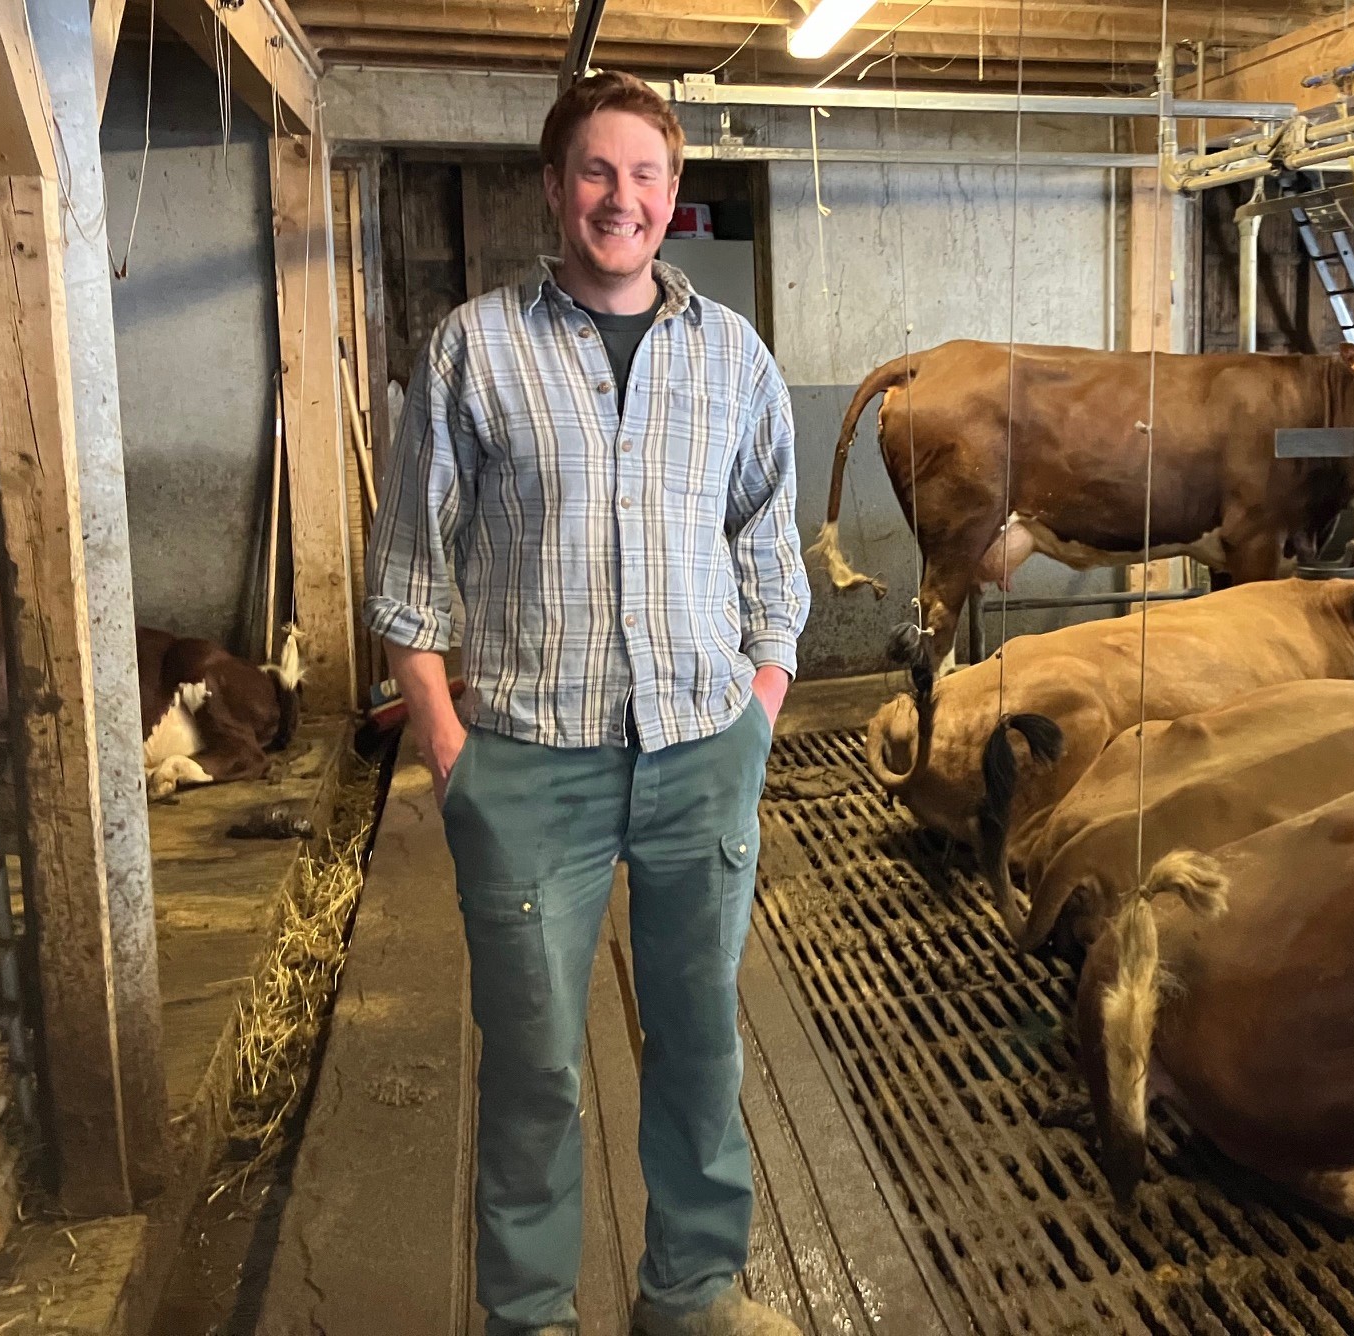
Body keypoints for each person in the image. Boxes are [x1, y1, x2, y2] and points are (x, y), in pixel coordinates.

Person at [365, 70, 809, 1336]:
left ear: (675, 196)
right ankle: (529, 1314)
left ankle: (692, 1293)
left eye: (648, 175)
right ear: (555, 189)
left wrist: (759, 702)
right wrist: (449, 746)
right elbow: (409, 570)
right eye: (599, 173)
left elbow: (768, 543)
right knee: (534, 1068)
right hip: (526, 762)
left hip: (699, 749)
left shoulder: (731, 357)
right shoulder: (473, 346)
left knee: (699, 1043)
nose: (624, 198)